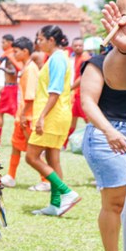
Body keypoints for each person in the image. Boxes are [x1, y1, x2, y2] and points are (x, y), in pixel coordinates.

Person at [80, 50, 126, 251]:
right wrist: (109, 131)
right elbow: (87, 102)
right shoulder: (98, 62)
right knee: (116, 200)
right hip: (106, 133)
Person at [25, 25, 81, 216]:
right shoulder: (60, 57)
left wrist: (41, 117)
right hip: (58, 115)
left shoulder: (57, 59)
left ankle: (67, 192)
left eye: (40, 39)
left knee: (31, 157)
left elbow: (55, 91)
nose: (38, 42)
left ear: (51, 40)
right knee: (52, 158)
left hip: (52, 116)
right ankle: (56, 204)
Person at [1, 37, 39, 188]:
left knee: (34, 151)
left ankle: (46, 180)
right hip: (21, 115)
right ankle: (11, 175)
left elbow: (30, 96)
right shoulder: (26, 67)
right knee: (16, 145)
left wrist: (23, 116)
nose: (14, 54)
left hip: (27, 116)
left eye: (16, 52)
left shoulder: (30, 70)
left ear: (25, 51)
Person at [0, 34, 21, 139]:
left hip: (11, 88)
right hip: (10, 87)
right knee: (3, 113)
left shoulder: (10, 55)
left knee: (3, 113)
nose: (2, 45)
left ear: (9, 43)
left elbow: (13, 72)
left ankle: (0, 138)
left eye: (3, 42)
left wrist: (0, 68)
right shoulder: (13, 54)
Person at [66, 37, 91, 147]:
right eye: (75, 45)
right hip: (76, 95)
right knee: (71, 121)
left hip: (83, 94)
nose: (78, 47)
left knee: (89, 121)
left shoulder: (85, 58)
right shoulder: (73, 58)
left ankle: (93, 143)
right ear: (72, 47)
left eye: (80, 45)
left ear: (83, 47)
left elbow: (82, 76)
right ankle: (64, 144)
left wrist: (70, 88)